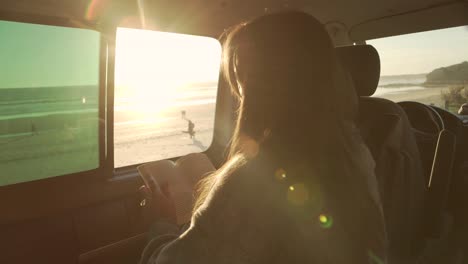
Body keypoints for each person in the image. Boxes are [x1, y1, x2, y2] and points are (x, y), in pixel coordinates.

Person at [140, 11, 386, 264]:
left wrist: (162, 225)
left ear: (258, 86)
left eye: (240, 82)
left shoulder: (253, 179)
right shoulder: (354, 152)